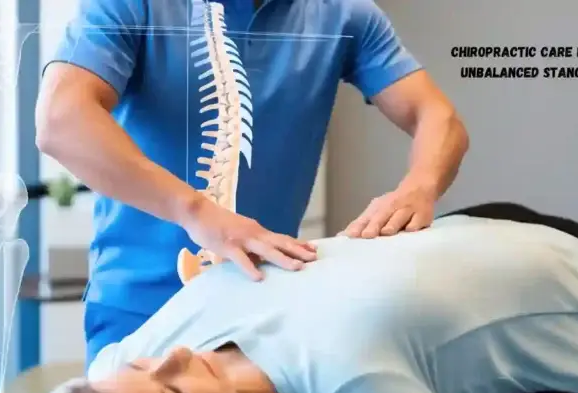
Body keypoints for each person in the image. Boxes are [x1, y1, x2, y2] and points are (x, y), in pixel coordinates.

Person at [34, 0, 470, 366]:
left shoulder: (344, 15)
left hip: (262, 314)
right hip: (138, 314)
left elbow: (438, 117)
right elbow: (59, 119)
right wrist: (200, 213)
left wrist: (420, 185)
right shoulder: (132, 3)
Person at [34, 202, 578, 393]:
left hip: (464, 222)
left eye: (151, 366)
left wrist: (210, 280)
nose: (178, 358)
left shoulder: (114, 375)